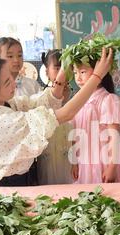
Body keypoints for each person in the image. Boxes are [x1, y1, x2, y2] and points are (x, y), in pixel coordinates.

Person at [0, 48, 113, 187]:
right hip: (7, 185)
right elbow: (65, 113)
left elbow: (39, 102)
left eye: (11, 77)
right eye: (7, 82)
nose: (14, 84)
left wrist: (63, 68)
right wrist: (97, 76)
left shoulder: (3, 103)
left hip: (24, 177)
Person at [70, 57, 120, 184]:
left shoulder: (108, 99)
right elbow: (75, 135)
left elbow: (114, 137)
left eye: (83, 72)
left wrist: (112, 166)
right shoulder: (77, 101)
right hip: (84, 160)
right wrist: (74, 162)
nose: (78, 77)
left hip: (103, 160)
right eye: (75, 73)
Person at [36, 50, 73, 185]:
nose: (62, 72)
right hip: (50, 154)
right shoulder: (42, 98)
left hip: (70, 152)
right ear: (46, 72)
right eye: (57, 68)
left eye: (66, 67)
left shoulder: (76, 96)